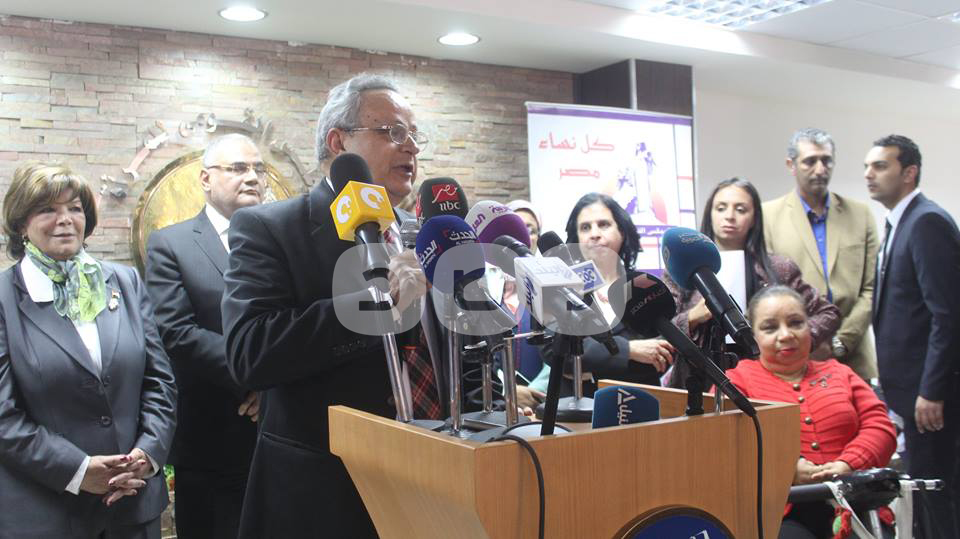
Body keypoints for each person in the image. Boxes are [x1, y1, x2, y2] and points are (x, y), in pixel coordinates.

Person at [221, 73, 436, 538]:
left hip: (433, 480)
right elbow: (249, 351)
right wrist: (376, 303)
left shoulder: (422, 233)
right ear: (339, 143)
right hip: (323, 494)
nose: (412, 147)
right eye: (393, 132)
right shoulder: (270, 227)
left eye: (415, 135)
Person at [0, 162, 177, 537]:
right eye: (47, 209)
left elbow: (159, 381)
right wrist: (79, 470)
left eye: (74, 208)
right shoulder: (4, 299)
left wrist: (146, 455)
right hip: (46, 512)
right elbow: (3, 416)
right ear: (21, 224)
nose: (65, 219)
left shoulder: (125, 282)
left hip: (133, 504)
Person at [145, 134, 263, 539]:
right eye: (239, 168)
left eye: (258, 169)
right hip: (212, 437)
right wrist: (254, 375)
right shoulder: (171, 244)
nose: (252, 177)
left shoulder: (281, 239)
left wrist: (274, 383)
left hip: (279, 429)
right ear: (205, 179)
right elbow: (176, 331)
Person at [727, 285, 896, 539]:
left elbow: (880, 427)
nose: (786, 335)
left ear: (810, 326)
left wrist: (847, 463)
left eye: (796, 323)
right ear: (753, 335)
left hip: (854, 501)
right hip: (779, 511)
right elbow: (729, 444)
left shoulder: (840, 372)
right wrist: (788, 470)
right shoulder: (735, 381)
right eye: (770, 328)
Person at [866, 134, 960, 538]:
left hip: (931, 397)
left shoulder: (926, 222)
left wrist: (932, 390)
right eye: (867, 167)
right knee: (921, 492)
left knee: (936, 494)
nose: (869, 174)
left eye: (880, 166)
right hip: (908, 392)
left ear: (909, 173)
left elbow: (947, 314)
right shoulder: (898, 223)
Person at [665, 178, 840, 389]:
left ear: (754, 218)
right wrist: (692, 317)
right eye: (721, 208)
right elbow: (660, 330)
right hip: (697, 379)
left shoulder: (779, 268)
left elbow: (828, 313)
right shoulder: (682, 267)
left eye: (740, 209)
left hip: (766, 380)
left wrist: (794, 337)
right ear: (710, 214)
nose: (730, 216)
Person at [764, 128, 879, 380]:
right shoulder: (767, 217)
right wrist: (810, 338)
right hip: (795, 355)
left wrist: (841, 341)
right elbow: (768, 290)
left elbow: (873, 288)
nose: (820, 169)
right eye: (810, 161)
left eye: (826, 161)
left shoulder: (861, 215)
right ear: (791, 165)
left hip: (854, 354)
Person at [545, 192, 675, 396]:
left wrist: (590, 366)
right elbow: (555, 353)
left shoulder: (642, 285)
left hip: (639, 400)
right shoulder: (561, 288)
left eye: (603, 224)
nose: (594, 234)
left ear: (622, 231)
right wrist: (629, 351)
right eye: (585, 227)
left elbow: (660, 356)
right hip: (576, 404)